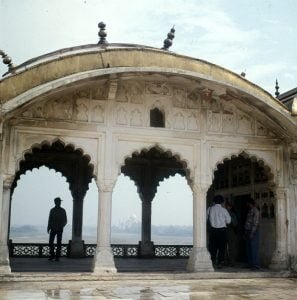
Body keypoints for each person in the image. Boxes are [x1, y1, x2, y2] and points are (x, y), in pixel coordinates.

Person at [207, 195, 231, 268]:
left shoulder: (209, 209)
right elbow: (229, 221)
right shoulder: (224, 210)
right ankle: (220, 262)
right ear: (222, 202)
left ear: (214, 201)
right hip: (222, 231)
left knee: (213, 247)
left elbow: (205, 219)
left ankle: (213, 261)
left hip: (213, 231)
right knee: (222, 247)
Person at [47, 197, 67, 261]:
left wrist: (61, 226)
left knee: (59, 243)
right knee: (50, 243)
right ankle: (52, 255)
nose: (59, 203)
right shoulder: (52, 210)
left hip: (59, 229)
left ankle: (57, 257)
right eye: (58, 201)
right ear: (55, 202)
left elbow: (65, 220)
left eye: (60, 201)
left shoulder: (62, 210)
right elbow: (50, 220)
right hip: (53, 228)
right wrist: (48, 227)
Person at [244, 198, 260, 270]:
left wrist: (252, 232)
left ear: (250, 203)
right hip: (248, 230)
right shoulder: (250, 211)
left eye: (247, 203)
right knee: (249, 248)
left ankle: (256, 265)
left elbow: (255, 222)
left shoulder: (255, 211)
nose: (246, 205)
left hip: (253, 231)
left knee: (254, 248)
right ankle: (250, 263)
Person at [225, 201, 238, 266]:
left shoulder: (231, 214)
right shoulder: (231, 214)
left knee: (229, 247)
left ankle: (229, 261)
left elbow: (235, 223)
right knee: (230, 247)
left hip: (228, 231)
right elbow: (235, 223)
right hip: (228, 231)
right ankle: (229, 261)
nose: (227, 208)